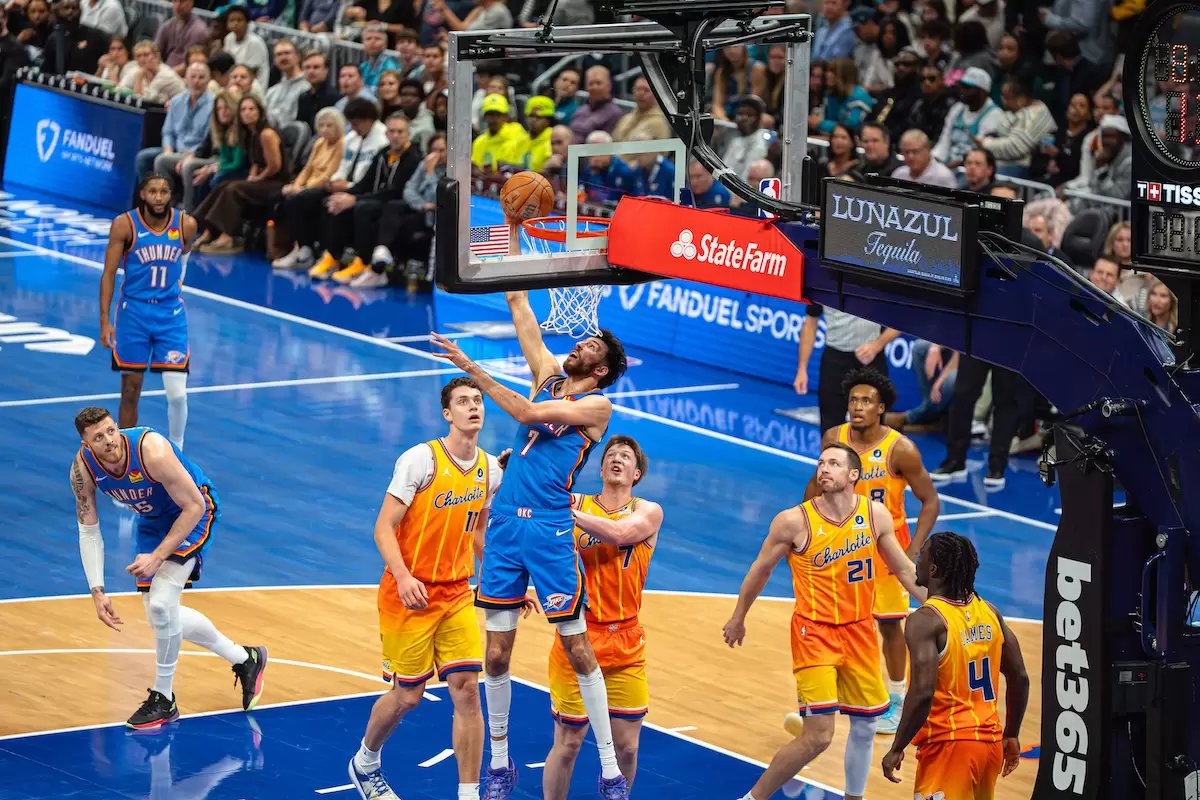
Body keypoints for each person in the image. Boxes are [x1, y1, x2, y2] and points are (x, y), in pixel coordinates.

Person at [430, 290, 631, 800]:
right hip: (505, 526)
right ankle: (499, 764)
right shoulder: (549, 377)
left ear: (601, 369)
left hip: (549, 530)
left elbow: (523, 412)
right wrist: (514, 252)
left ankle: (610, 770)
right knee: (496, 655)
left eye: (590, 347)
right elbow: (520, 305)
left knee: (577, 646)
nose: (578, 345)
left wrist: (468, 366)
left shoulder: (596, 405)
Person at [722, 443, 926, 800]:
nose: (824, 469)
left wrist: (947, 606)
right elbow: (760, 570)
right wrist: (739, 616)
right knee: (819, 736)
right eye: (821, 463)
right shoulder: (793, 521)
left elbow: (905, 570)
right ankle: (752, 798)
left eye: (833, 463)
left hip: (860, 631)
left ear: (853, 474)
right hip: (814, 633)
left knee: (866, 727)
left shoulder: (874, 515)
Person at [348, 378, 509, 800]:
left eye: (478, 400)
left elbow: (478, 535)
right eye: (463, 401)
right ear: (447, 414)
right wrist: (403, 576)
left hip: (456, 593)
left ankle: (469, 794)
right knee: (407, 696)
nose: (473, 407)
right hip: (410, 594)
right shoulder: (421, 460)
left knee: (468, 690)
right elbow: (383, 527)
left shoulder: (490, 470)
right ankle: (365, 761)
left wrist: (504, 582)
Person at [70, 407, 267, 729]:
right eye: (98, 437)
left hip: (193, 510)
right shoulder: (83, 469)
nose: (109, 440)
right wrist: (97, 590)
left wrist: (158, 556)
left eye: (111, 430)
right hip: (153, 521)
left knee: (162, 606)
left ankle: (164, 698)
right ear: (86, 444)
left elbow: (194, 506)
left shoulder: (152, 450)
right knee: (159, 616)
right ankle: (246, 659)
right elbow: (88, 530)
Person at [805, 367, 940, 735]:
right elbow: (816, 485)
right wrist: (806, 530)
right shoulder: (834, 438)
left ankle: (897, 698)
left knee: (890, 625)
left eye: (866, 401)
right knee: (839, 621)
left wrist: (911, 551)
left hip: (884, 549)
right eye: (853, 400)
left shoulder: (901, 448)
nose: (858, 406)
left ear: (881, 408)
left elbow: (930, 501)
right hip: (842, 546)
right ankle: (844, 692)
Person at [544, 435, 664, 799]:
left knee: (627, 746)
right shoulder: (578, 501)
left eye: (625, 457)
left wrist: (566, 511)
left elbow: (620, 533)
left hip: (626, 640)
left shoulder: (648, 511)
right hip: (579, 635)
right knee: (569, 742)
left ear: (636, 473)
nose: (617, 459)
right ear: (600, 469)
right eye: (611, 455)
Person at [881, 532, 1030, 799]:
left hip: (950, 747)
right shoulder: (990, 612)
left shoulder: (926, 621)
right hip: (989, 746)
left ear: (933, 569)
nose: (917, 560)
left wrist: (897, 746)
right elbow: (1019, 676)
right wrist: (1011, 734)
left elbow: (922, 692)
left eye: (922, 555)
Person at [99, 175, 193, 451]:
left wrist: (176, 285)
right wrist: (104, 320)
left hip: (170, 315)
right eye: (153, 191)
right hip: (134, 314)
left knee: (177, 395)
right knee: (130, 390)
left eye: (164, 191)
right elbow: (108, 274)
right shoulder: (124, 225)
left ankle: (177, 453)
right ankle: (126, 458)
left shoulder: (186, 224)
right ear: (142, 194)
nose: (159, 197)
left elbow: (184, 256)